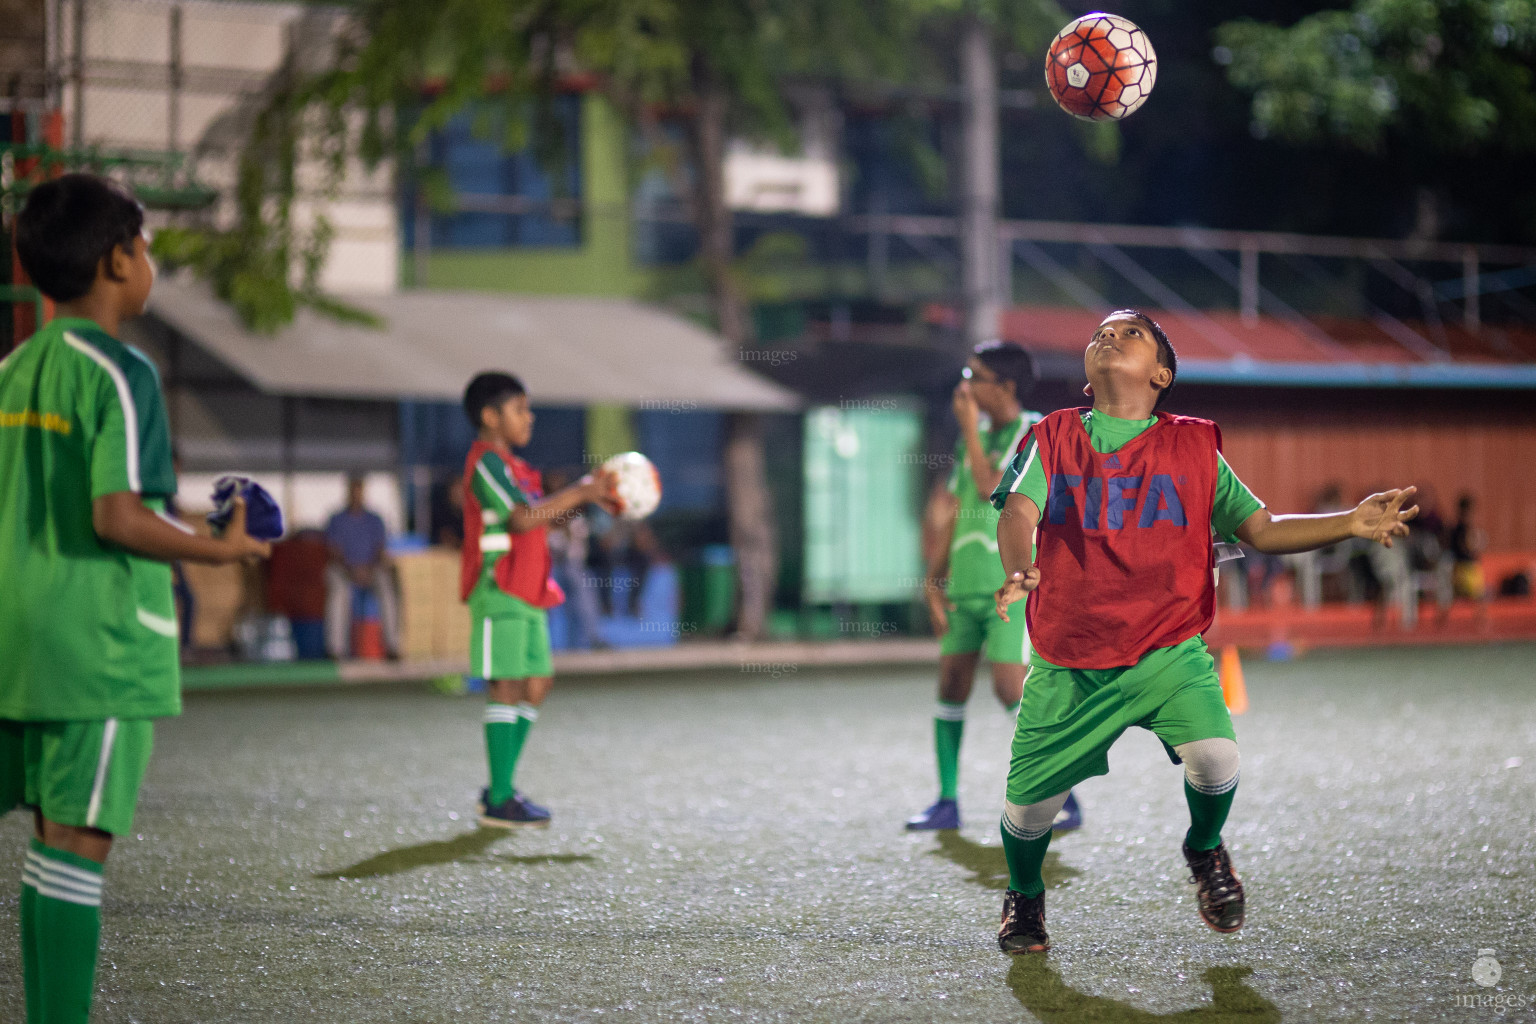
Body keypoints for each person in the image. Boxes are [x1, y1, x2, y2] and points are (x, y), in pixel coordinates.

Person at [989, 309, 1416, 954]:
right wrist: (1021, 565)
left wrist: (1348, 523)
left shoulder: (1194, 448)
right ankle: (1025, 897)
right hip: (1070, 657)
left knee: (1217, 759)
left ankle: (1205, 848)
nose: (1110, 336)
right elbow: (1018, 509)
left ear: (1162, 373)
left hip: (1167, 649)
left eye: (1131, 332)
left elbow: (1263, 529)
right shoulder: (1050, 436)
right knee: (1029, 814)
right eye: (1101, 332)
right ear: (1085, 372)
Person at [0, 173, 270, 1023]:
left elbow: (86, 498)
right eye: (146, 247)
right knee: (78, 845)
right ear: (118, 259)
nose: (149, 262)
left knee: (50, 843)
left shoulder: (15, 367)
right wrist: (218, 549)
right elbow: (117, 517)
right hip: (99, 639)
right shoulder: (123, 371)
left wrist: (192, 518)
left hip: (20, 638)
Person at [907, 341, 1081, 834]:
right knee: (950, 686)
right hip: (965, 586)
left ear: (1004, 386)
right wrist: (932, 582)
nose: (964, 386)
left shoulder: (1037, 432)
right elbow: (959, 511)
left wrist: (966, 427)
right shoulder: (973, 441)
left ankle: (1062, 789)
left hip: (1013, 585)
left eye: (974, 374)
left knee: (1009, 687)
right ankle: (946, 802)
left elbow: (991, 488)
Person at [460, 372, 616, 827]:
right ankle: (501, 798)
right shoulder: (486, 461)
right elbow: (521, 520)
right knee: (506, 685)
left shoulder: (515, 468)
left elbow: (537, 520)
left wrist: (581, 506)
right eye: (520, 409)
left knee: (537, 684)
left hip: (529, 591)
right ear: (490, 417)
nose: (530, 418)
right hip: (499, 588)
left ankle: (500, 789)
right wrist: (581, 491)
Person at [324, 474, 399, 660]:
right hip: (344, 570)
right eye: (353, 491)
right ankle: (336, 650)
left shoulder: (375, 520)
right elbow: (333, 551)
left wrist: (368, 569)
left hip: (371, 570)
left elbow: (380, 550)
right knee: (339, 592)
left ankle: (393, 646)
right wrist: (352, 570)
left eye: (359, 491)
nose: (356, 495)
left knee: (387, 587)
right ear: (348, 492)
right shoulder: (337, 519)